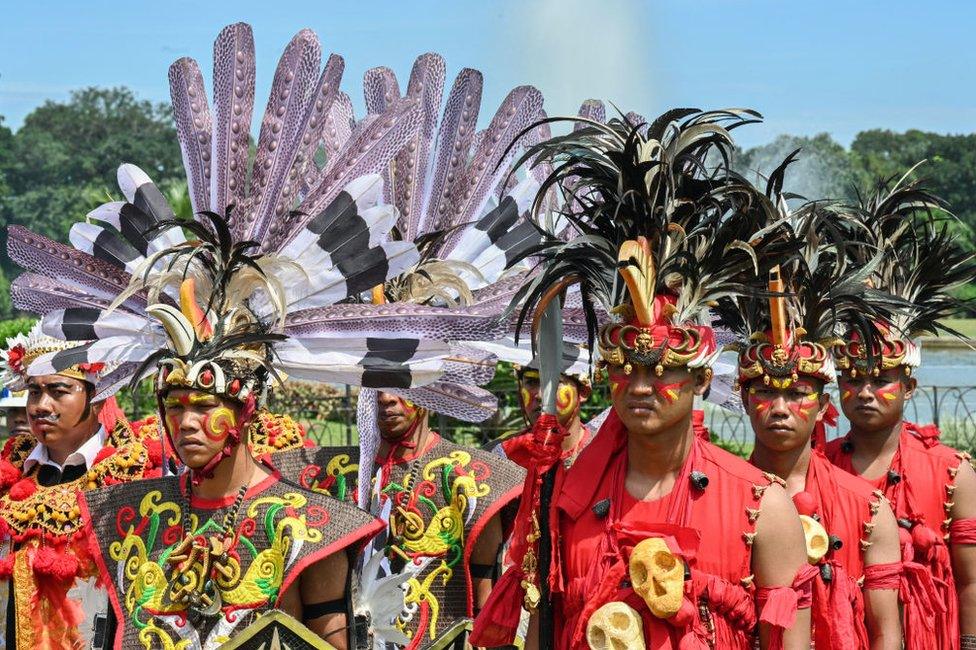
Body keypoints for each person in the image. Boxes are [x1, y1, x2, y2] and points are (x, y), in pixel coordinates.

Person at [6, 22, 514, 649]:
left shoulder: (308, 524)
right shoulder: (131, 516)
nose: (186, 422)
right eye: (174, 404)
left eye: (205, 403)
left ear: (244, 407)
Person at [475, 109, 812, 649]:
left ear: (702, 380)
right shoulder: (564, 497)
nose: (638, 386)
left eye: (661, 371)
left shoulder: (763, 507)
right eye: (624, 370)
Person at [715, 170, 903, 648]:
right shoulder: (713, 499)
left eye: (798, 393)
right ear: (742, 398)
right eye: (764, 391)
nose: (779, 407)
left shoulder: (869, 510)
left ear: (823, 406)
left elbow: (886, 634)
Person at [823, 173, 976, 649]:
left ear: (908, 385)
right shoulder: (820, 466)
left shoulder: (953, 472)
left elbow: (971, 581)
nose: (864, 391)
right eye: (852, 378)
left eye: (880, 379)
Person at [0, 325, 161, 649]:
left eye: (58, 391)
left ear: (98, 398)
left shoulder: (139, 476)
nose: (40, 406)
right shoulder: (10, 474)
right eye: (34, 391)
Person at [487, 346, 596, 469]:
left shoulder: (605, 453)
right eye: (531, 382)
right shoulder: (498, 456)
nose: (540, 395)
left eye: (554, 382)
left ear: (583, 392)